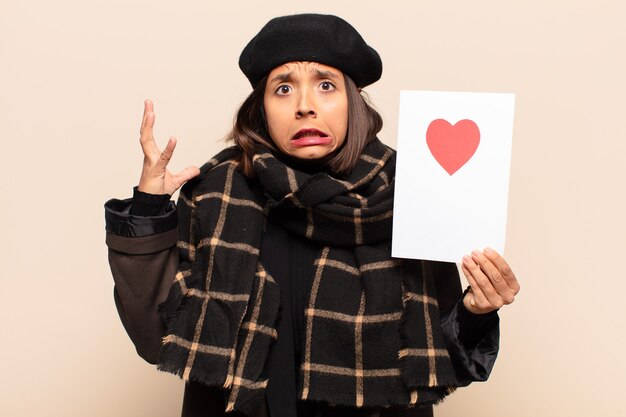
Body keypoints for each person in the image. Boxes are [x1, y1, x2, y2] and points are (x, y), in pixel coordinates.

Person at [105, 13, 519, 417]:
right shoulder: (217, 192)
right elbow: (158, 338)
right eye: (283, 88)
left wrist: (476, 311)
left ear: (352, 101)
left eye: (325, 85)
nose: (305, 106)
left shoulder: (412, 192)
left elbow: (437, 355)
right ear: (261, 109)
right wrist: (148, 211)